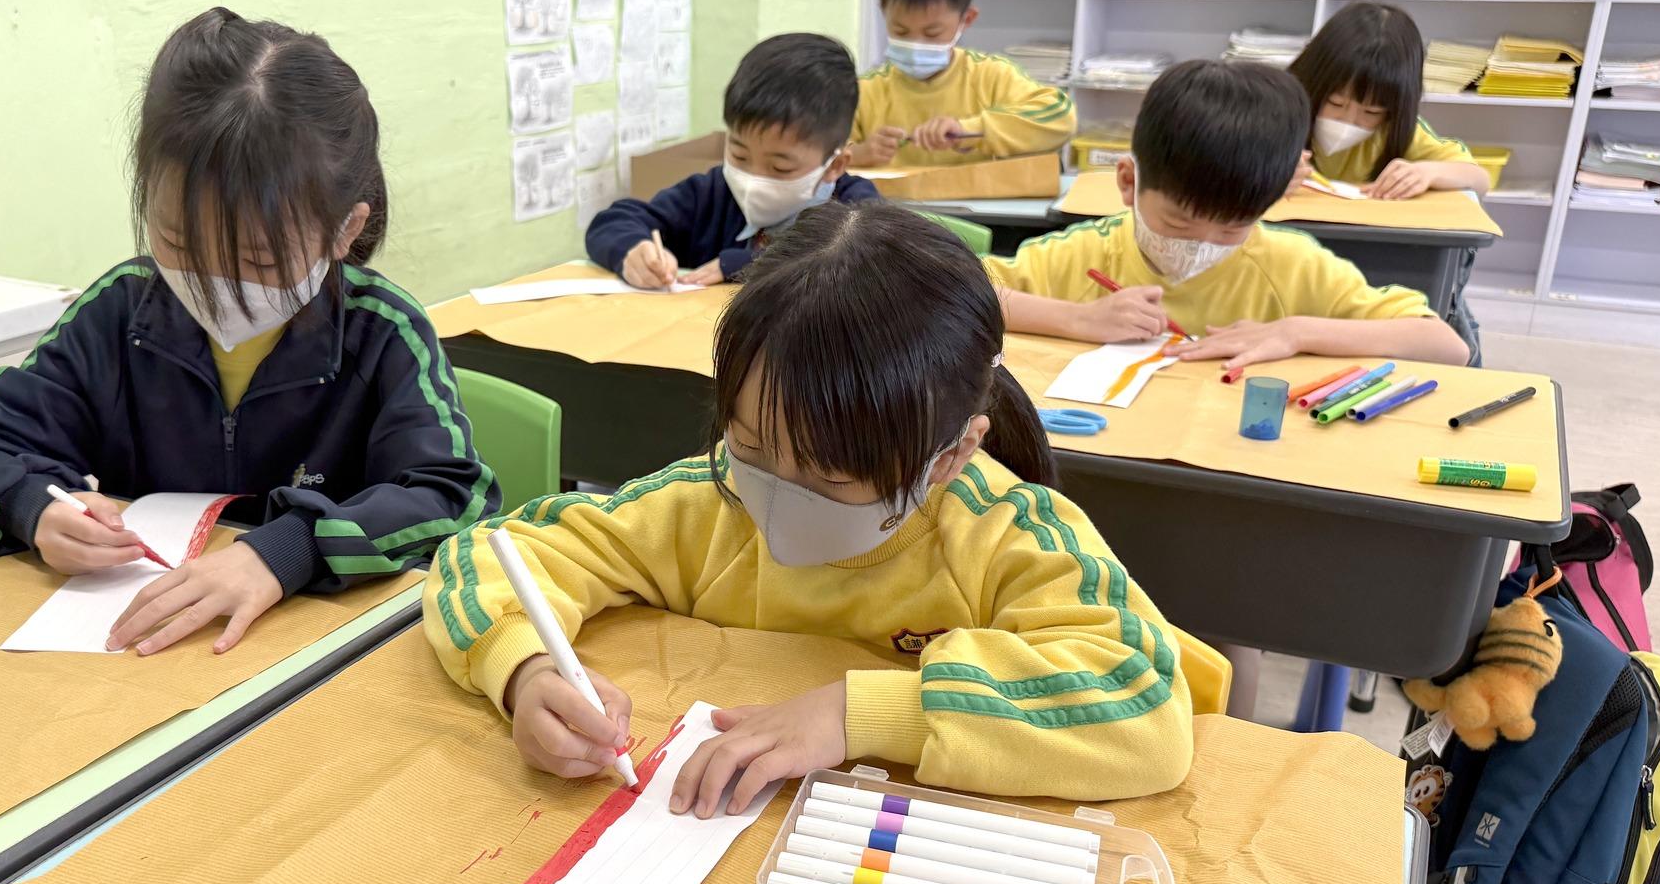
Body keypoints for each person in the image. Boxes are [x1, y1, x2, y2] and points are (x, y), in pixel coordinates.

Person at [430, 201, 1227, 816]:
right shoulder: (708, 501)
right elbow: (489, 556)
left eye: (834, 477)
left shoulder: (1004, 535)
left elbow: (1145, 707)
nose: (777, 493)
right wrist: (526, 670)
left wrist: (857, 715)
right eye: (752, 444)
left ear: (950, 455)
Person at [0, 8, 495, 655]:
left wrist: (288, 549)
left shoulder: (382, 333)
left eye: (258, 261)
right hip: (134, 646)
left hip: (305, 654)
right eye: (179, 242)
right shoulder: (119, 312)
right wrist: (34, 506)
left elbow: (452, 499)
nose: (215, 285)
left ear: (344, 230)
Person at [987, 60, 1470, 372]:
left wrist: (1295, 331)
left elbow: (1446, 345)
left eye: (1232, 227)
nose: (1201, 243)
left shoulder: (1292, 265)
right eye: (1179, 223)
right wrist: (1077, 318)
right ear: (1129, 182)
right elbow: (958, 297)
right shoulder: (1086, 253)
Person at [585, 32, 877, 288]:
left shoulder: (856, 208)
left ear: (835, 166)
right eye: (739, 155)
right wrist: (633, 249)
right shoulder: (712, 193)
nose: (752, 179)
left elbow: (863, 260)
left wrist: (746, 264)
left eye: (780, 167)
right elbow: (614, 221)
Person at [849, 0, 1075, 169]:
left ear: (966, 20)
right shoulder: (864, 92)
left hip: (975, 193)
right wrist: (857, 154)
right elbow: (827, 157)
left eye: (932, 33)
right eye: (900, 31)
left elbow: (1061, 117)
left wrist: (970, 130)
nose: (915, 44)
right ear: (883, 12)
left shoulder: (991, 77)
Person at [1287, 1, 1490, 200]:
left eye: (1372, 112)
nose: (1348, 120)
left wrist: (1428, 172)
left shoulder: (1395, 130)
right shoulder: (1278, 114)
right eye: (1335, 103)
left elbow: (1480, 180)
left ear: (1395, 109)